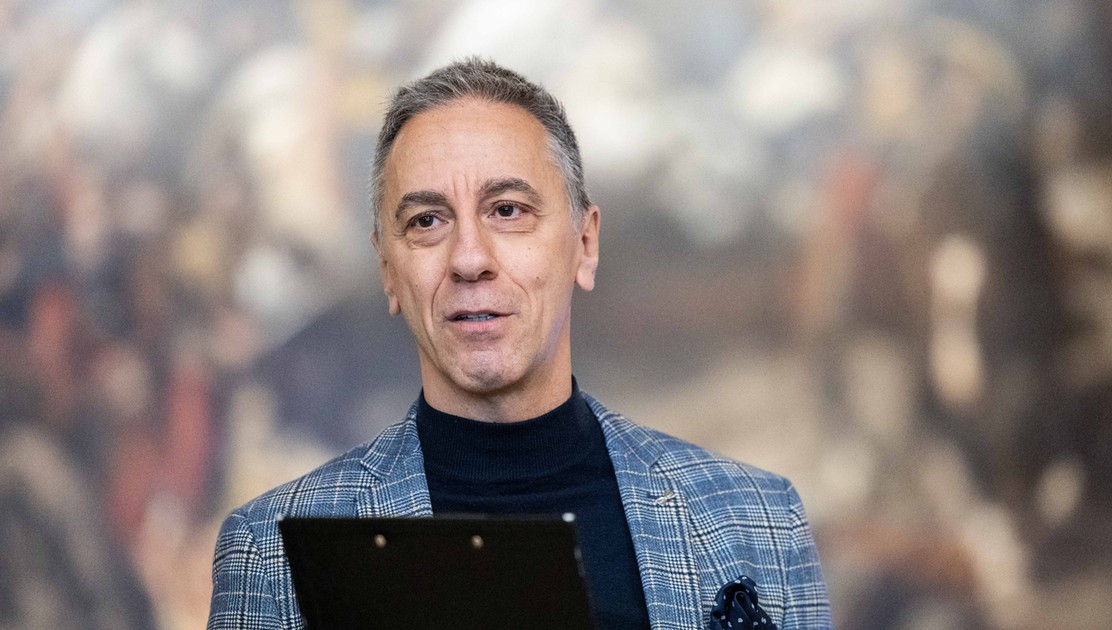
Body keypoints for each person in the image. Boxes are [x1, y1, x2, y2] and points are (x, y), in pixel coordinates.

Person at [207, 58, 831, 629]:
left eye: (507, 210)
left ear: (584, 244)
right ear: (388, 271)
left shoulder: (758, 521)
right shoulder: (270, 554)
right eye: (427, 221)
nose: (470, 259)